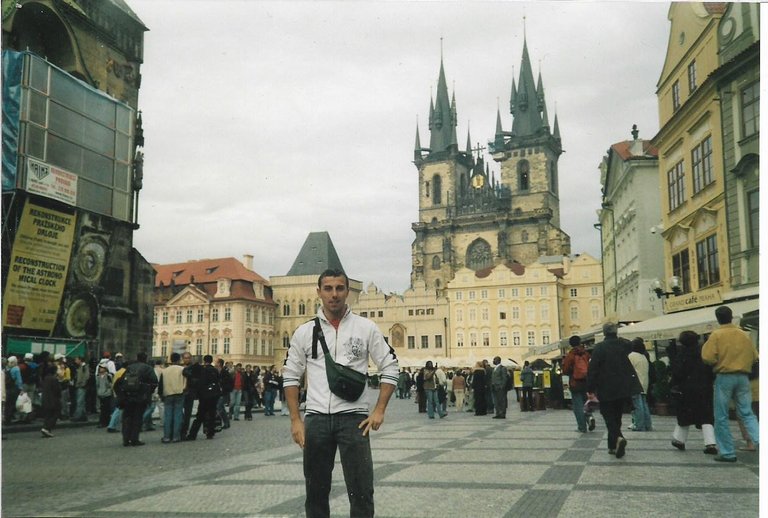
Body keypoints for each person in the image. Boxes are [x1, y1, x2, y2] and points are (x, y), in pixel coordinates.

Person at [282, 268, 399, 518]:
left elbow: (390, 366)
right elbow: (290, 375)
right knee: (315, 492)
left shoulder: (366, 328)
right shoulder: (305, 332)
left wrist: (379, 410)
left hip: (354, 420)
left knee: (361, 491)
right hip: (316, 419)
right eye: (328, 289)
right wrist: (295, 420)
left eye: (339, 288)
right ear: (319, 292)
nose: (333, 294)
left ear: (348, 292)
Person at [701, 305, 759, 463]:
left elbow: (707, 357)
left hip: (725, 376)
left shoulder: (716, 335)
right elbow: (755, 356)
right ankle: (760, 440)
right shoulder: (743, 334)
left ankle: (727, 452)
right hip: (743, 377)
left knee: (721, 416)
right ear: (731, 316)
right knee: (747, 413)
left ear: (718, 318)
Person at [587, 322, 641, 459]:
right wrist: (619, 337)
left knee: (608, 415)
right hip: (623, 387)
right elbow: (631, 344)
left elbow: (592, 369)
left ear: (604, 333)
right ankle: (612, 446)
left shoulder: (599, 348)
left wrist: (590, 389)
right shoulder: (623, 345)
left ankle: (618, 438)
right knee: (617, 416)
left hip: (606, 387)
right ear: (616, 332)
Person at [668, 331, 716, 454]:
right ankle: (710, 443)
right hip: (704, 388)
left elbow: (677, 373)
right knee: (706, 416)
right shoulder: (703, 352)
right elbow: (711, 369)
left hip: (686, 389)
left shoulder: (681, 355)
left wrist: (673, 384)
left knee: (684, 415)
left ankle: (679, 440)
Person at [116, 352, 158, 447]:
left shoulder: (130, 367)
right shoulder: (148, 368)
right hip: (140, 397)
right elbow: (154, 382)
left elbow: (121, 381)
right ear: (145, 358)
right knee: (137, 418)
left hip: (128, 396)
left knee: (127, 418)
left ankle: (126, 439)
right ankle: (134, 439)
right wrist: (148, 392)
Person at [562, 335, 593, 432]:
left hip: (575, 383)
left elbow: (565, 370)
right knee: (586, 403)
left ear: (570, 344)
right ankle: (589, 417)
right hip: (586, 382)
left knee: (578, 406)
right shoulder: (586, 354)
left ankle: (582, 427)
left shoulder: (571, 355)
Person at [187, 355, 220, 440]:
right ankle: (210, 433)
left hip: (204, 396)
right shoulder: (215, 370)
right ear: (211, 360)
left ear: (204, 361)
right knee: (212, 414)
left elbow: (200, 382)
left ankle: (192, 435)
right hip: (214, 395)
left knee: (200, 416)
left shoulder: (203, 370)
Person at [159, 352, 185, 443]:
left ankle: (166, 437)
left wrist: (161, 394)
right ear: (179, 360)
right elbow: (186, 382)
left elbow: (161, 384)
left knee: (168, 415)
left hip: (168, 394)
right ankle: (176, 436)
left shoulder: (165, 370)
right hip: (179, 393)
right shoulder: (182, 369)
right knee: (178, 415)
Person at [628, 338, 653, 432]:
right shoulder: (643, 356)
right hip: (644, 383)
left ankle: (639, 425)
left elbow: (628, 370)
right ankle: (648, 425)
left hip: (636, 384)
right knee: (644, 404)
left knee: (638, 406)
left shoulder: (631, 356)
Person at [180, 351, 201, 439]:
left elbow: (196, 380)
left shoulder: (194, 368)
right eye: (185, 358)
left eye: (188, 358)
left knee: (188, 413)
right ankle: (179, 429)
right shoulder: (179, 368)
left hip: (189, 392)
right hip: (180, 392)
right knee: (180, 413)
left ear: (191, 358)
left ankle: (184, 431)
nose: (187, 359)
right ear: (182, 359)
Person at [40, 364, 61, 438]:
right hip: (53, 400)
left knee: (48, 415)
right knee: (55, 414)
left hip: (45, 399)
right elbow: (57, 390)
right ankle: (47, 428)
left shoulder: (45, 378)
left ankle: (46, 428)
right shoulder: (54, 379)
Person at [95, 363, 113, 428]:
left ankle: (106, 422)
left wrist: (108, 392)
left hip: (107, 394)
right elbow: (97, 385)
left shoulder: (108, 376)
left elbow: (110, 385)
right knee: (102, 409)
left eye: (102, 368)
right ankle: (102, 422)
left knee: (106, 409)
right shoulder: (98, 376)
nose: (101, 369)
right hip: (100, 394)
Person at [71, 356, 90, 422]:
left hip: (81, 386)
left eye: (76, 359)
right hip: (79, 386)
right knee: (81, 401)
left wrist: (82, 384)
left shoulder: (84, 367)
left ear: (80, 360)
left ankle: (78, 416)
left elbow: (86, 377)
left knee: (79, 401)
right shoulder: (81, 367)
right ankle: (83, 416)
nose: (75, 361)